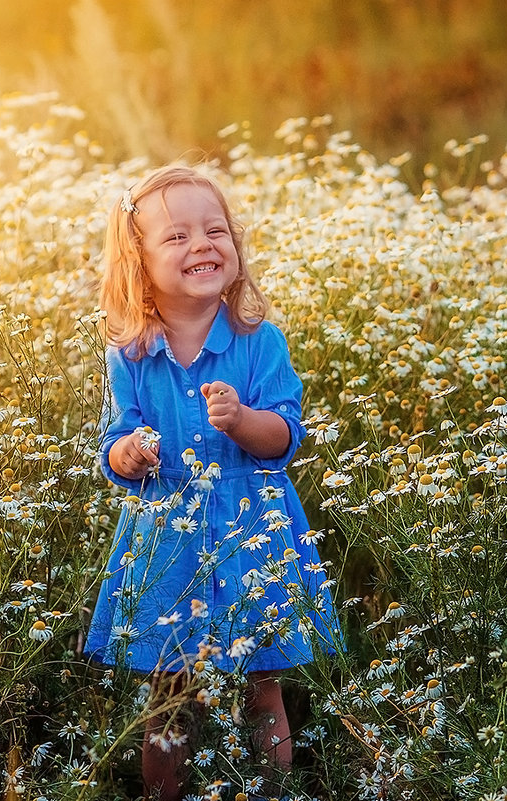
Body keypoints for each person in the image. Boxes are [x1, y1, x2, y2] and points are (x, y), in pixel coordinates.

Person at [84, 165, 340, 800]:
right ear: (138, 262)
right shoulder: (130, 351)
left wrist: (244, 421)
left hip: (253, 525)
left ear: (235, 245)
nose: (202, 244)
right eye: (177, 237)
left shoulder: (260, 342)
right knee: (169, 691)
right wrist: (129, 452)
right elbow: (116, 437)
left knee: (261, 684)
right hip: (168, 534)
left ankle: (273, 791)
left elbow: (286, 436)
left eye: (215, 230)